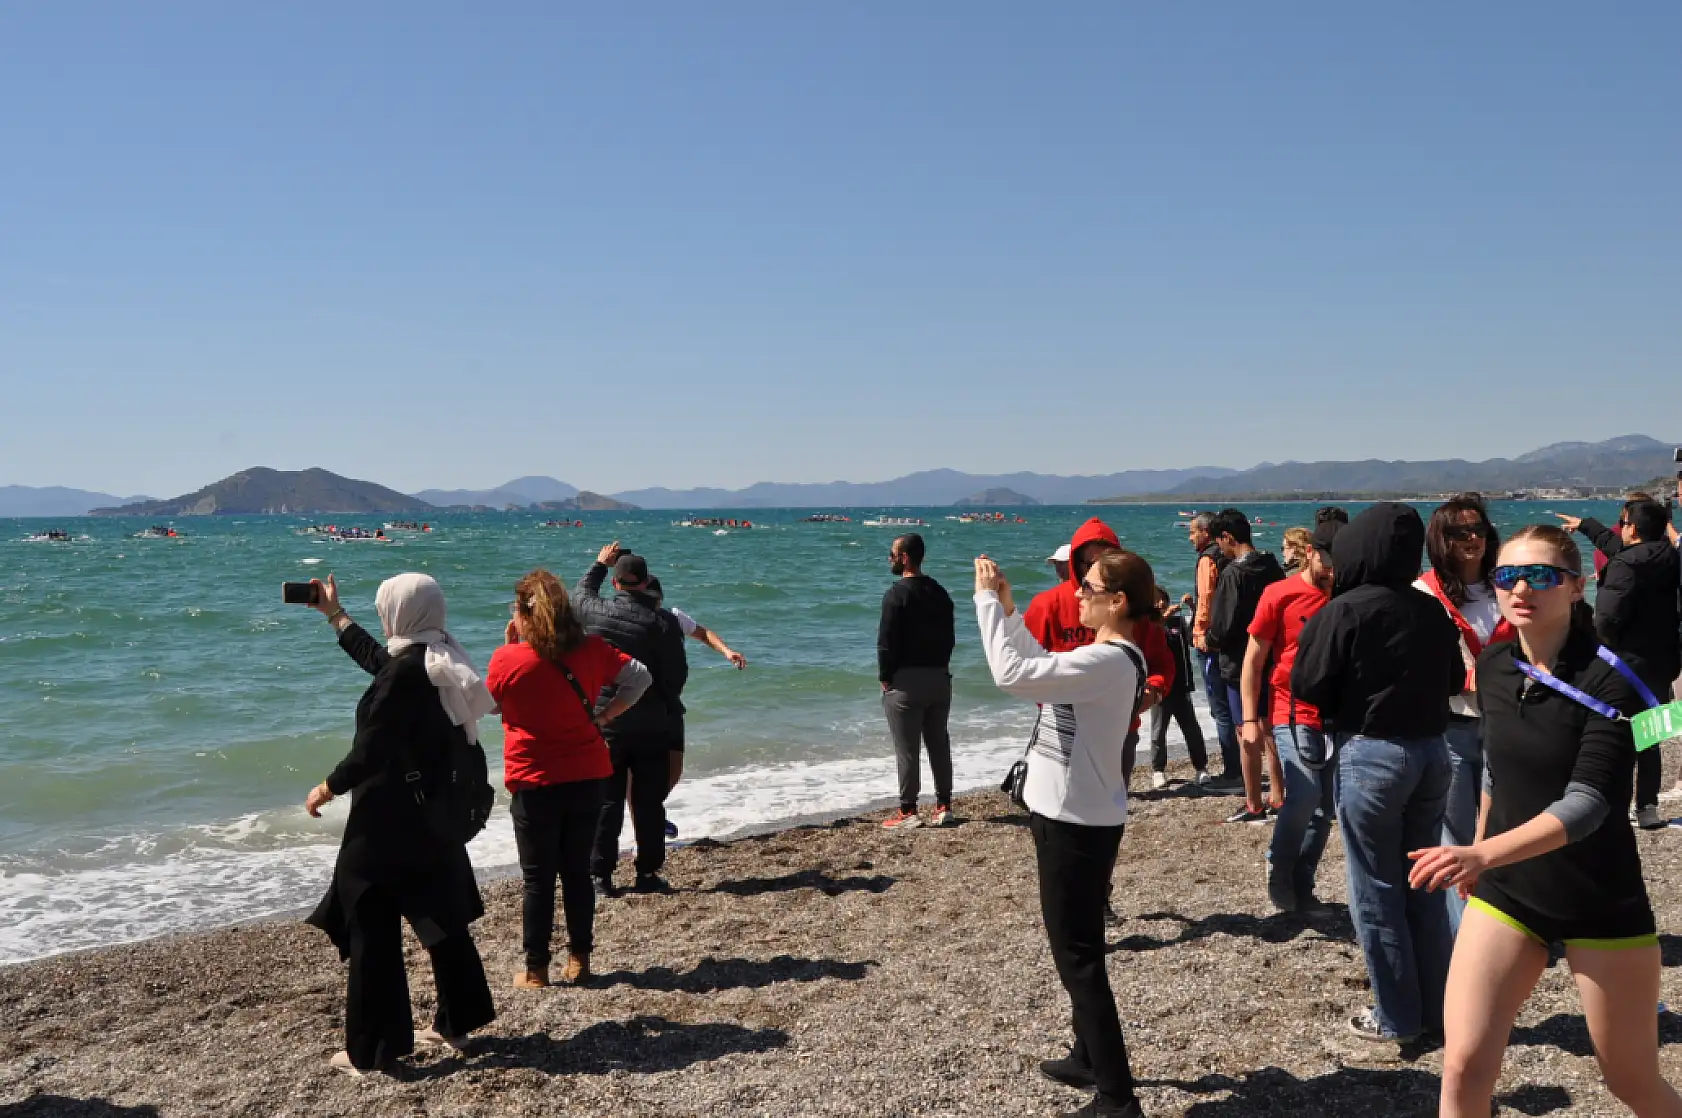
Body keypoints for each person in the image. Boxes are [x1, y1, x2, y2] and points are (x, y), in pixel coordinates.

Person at [1409, 525, 1682, 1118]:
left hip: (1598, 898)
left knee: (1631, 1081)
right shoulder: (1495, 664)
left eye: (1543, 575)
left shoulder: (1613, 678)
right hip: (1509, 891)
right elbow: (1495, 772)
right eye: (1508, 576)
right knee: (1462, 1066)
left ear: (1578, 587)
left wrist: (1481, 853)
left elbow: (1586, 805)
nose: (1522, 587)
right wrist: (1480, 852)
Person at [975, 550, 1155, 1118]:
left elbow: (1010, 675)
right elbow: (1038, 667)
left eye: (1090, 587)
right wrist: (1008, 610)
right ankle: (1087, 1057)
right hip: (1075, 815)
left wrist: (982, 603)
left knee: (1078, 960)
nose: (1078, 594)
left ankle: (1117, 1099)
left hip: (1076, 824)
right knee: (1081, 950)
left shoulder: (1108, 660)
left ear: (1117, 601)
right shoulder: (1103, 657)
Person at [302, 573, 496, 1075]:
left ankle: (373, 1050)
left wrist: (327, 786)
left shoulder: (410, 672)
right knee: (439, 916)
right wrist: (336, 617)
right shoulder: (434, 659)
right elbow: (380, 664)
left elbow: (372, 748)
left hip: (388, 819)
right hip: (431, 817)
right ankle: (458, 1019)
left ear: (399, 613)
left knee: (370, 921)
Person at [1292, 502, 1464, 1045]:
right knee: (1426, 885)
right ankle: (1440, 1011)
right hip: (1434, 753)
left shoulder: (1344, 610)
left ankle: (1398, 1017)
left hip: (1372, 754)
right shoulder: (1431, 609)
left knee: (1376, 889)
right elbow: (1457, 677)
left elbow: (1308, 684)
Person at [489, 569, 653, 989]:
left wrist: (511, 648)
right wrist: (604, 715)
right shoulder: (593, 649)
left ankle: (536, 968)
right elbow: (641, 677)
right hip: (587, 774)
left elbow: (488, 705)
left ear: (524, 613)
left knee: (538, 878)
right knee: (577, 872)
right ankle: (579, 960)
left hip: (533, 778)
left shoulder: (508, 658)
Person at [1415, 495, 1513, 933]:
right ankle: (1465, 927)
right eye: (1459, 532)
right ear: (1441, 539)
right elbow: (1414, 664)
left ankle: (1508, 916)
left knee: (1505, 823)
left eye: (1479, 530)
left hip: (1508, 720)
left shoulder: (1509, 585)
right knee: (1453, 833)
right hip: (1452, 723)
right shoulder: (1423, 592)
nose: (1472, 539)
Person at [1024, 518, 1175, 787]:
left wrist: (1152, 692)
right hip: (1064, 730)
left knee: (1110, 808)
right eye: (1090, 563)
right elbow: (1025, 667)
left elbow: (1161, 662)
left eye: (1105, 562)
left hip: (1120, 729)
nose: (1097, 570)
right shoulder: (1048, 605)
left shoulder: (1133, 608)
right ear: (1075, 563)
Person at [574, 543, 689, 896]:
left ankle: (600, 877)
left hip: (608, 721)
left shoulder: (598, 613)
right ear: (645, 582)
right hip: (652, 722)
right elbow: (676, 675)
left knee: (607, 802)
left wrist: (597, 564)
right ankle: (648, 874)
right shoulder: (665, 622)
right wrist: (664, 707)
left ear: (617, 582)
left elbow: (577, 595)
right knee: (649, 802)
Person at [1240, 517, 1341, 912]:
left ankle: (1303, 880)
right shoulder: (1279, 594)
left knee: (1326, 805)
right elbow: (1253, 660)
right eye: (1328, 560)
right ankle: (1278, 866)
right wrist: (1250, 719)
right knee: (1303, 793)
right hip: (1290, 708)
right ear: (1311, 553)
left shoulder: (1347, 595)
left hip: (1338, 712)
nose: (1333, 570)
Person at [1588, 498, 1681, 829]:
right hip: (1665, 661)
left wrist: (1600, 647)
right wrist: (1587, 526)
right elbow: (1618, 547)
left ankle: (1609, 806)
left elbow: (1607, 617)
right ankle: (1647, 807)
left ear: (1634, 528)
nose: (1621, 527)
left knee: (1614, 734)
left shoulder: (1624, 565)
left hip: (1624, 664)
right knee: (1651, 735)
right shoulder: (1671, 556)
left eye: (1623, 522)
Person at [644, 575, 748, 838]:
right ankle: (647, 819)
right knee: (641, 770)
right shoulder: (629, 621)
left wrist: (727, 652)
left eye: (657, 601)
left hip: (671, 702)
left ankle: (651, 809)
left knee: (674, 767)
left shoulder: (674, 617)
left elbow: (702, 633)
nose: (654, 606)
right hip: (640, 705)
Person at [1208, 508, 1286, 824]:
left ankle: (1253, 801)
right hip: (1270, 657)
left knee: (1246, 731)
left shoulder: (1233, 573)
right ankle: (1279, 794)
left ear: (1228, 537)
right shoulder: (1271, 567)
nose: (1220, 550)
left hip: (1239, 661)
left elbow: (1223, 626)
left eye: (1220, 542)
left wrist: (1204, 636)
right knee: (1271, 729)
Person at [878, 533, 957, 829]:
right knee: (939, 744)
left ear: (905, 558)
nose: (890, 558)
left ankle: (909, 811)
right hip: (939, 677)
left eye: (892, 553)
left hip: (907, 681)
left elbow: (886, 643)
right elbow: (950, 637)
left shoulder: (896, 595)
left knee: (907, 748)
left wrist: (885, 678)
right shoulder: (940, 592)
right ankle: (944, 805)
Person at [1188, 513, 1239, 784]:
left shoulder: (1208, 559)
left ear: (1206, 532)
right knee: (1234, 704)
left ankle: (1233, 769)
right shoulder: (1229, 557)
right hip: (1232, 637)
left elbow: (1206, 599)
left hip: (1211, 640)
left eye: (1193, 532)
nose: (1190, 538)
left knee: (1219, 707)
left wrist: (1199, 633)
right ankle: (1239, 763)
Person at [1147, 586, 1208, 789]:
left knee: (1191, 728)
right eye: (1156, 601)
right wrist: (1164, 617)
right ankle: (1158, 771)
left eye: (1163, 599)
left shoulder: (1178, 621)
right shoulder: (1149, 624)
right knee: (1158, 730)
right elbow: (1150, 639)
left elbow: (1193, 638)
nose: (1161, 603)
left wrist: (1192, 607)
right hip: (1161, 686)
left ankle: (1201, 768)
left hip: (1181, 685)